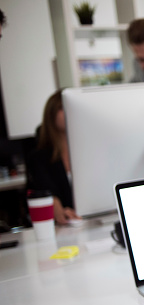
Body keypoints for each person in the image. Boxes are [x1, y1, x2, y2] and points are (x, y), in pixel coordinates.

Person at [26, 89, 80, 225]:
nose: (69, 112)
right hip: (63, 226)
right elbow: (44, 190)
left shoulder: (90, 152)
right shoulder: (40, 157)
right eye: (62, 108)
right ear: (51, 115)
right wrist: (53, 202)